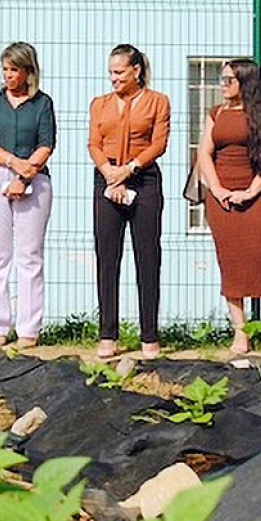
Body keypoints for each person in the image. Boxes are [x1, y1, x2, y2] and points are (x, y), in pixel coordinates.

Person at [196, 59, 261, 354]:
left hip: (258, 199)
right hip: (221, 199)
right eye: (221, 79)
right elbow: (204, 153)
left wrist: (250, 191)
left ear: (245, 82)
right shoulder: (217, 113)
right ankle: (241, 333)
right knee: (230, 262)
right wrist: (217, 188)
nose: (223, 85)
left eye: (228, 80)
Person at [88, 44, 170, 360]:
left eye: (119, 72)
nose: (114, 78)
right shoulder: (100, 104)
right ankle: (107, 333)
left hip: (143, 177)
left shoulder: (157, 102)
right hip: (107, 175)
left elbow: (159, 143)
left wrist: (129, 169)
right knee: (107, 255)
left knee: (147, 256)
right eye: (111, 72)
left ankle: (149, 333)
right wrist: (109, 172)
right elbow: (94, 143)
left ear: (136, 70)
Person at [0, 42, 56, 350]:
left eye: (14, 70)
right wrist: (11, 162)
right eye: (5, 69)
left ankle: (29, 329)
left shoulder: (42, 104)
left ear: (28, 71)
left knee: (29, 256)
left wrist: (24, 175)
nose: (8, 75)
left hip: (34, 180)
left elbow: (47, 143)